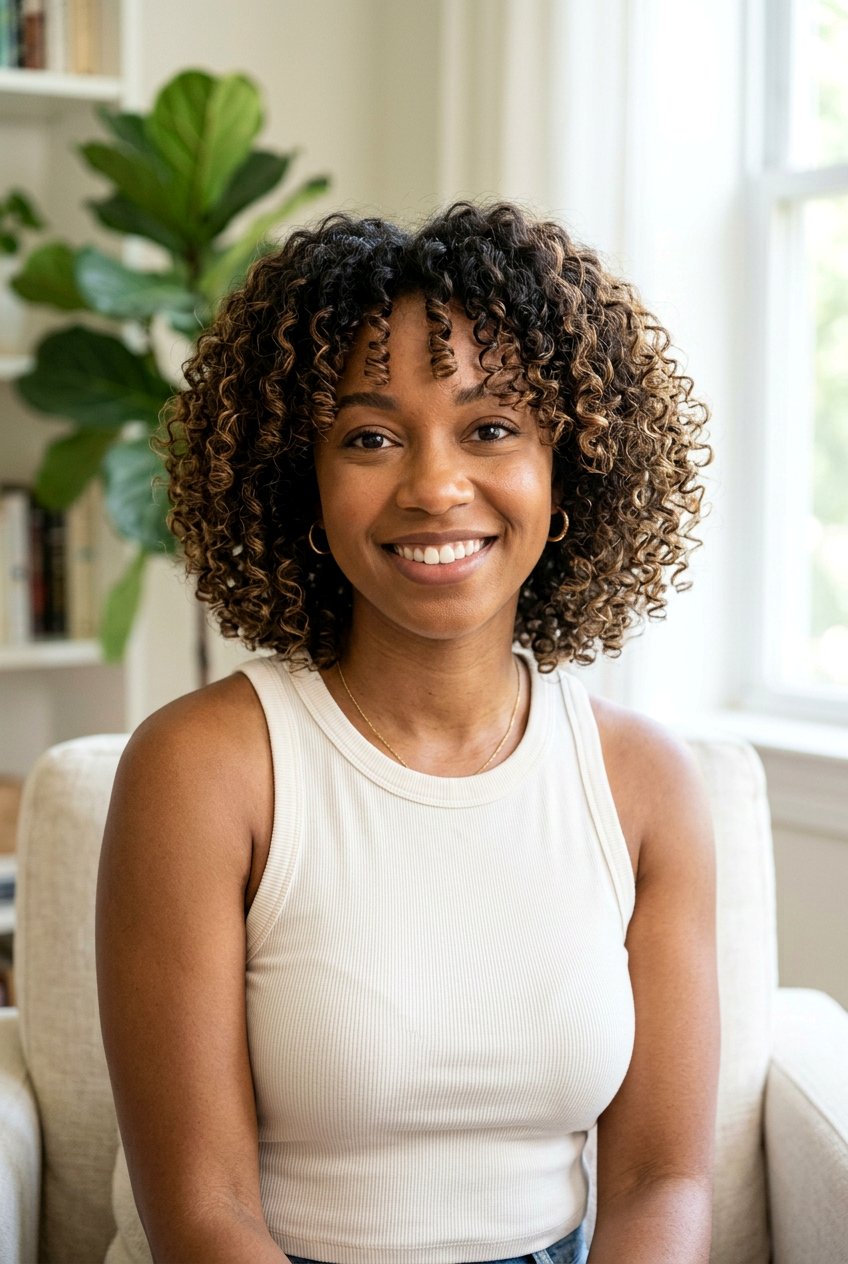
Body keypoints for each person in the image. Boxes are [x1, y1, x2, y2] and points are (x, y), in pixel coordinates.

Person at [96, 200, 720, 1264]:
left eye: (489, 429)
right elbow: (204, 1213)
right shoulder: (202, 770)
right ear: (305, 481)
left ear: (565, 468)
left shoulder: (643, 784)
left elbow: (661, 1177)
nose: (435, 487)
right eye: (371, 437)